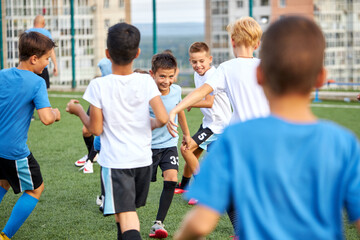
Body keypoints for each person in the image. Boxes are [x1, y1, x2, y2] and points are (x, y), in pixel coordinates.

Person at [174, 16, 360, 240]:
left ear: (261, 76)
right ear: (320, 79)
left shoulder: (232, 140)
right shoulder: (344, 144)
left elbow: (200, 224)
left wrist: (176, 109)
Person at [66, 23, 168, 240]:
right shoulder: (145, 81)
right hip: (142, 161)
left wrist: (77, 111)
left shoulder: (98, 85)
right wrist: (146, 124)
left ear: (107, 54)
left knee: (128, 217)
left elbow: (95, 128)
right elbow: (163, 118)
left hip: (116, 164)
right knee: (122, 217)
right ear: (138, 53)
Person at [167, 17, 269, 232]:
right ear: (258, 44)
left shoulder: (226, 68)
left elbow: (200, 93)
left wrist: (175, 109)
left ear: (232, 41)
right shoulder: (266, 66)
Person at [0, 31, 61, 240]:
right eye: (46, 59)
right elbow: (45, 118)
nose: (47, 64)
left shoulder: (2, 74)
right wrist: (56, 113)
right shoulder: (37, 82)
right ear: (34, 58)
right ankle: (5, 236)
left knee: (3, 182)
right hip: (13, 151)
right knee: (36, 189)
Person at [175, 42, 231, 206]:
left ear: (210, 59)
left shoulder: (212, 75)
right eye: (194, 62)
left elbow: (209, 102)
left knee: (186, 149)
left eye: (201, 61)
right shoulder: (198, 74)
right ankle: (184, 186)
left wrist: (188, 103)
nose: (198, 65)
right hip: (208, 123)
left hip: (217, 126)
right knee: (194, 152)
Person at [148, 53, 190, 239]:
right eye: (162, 76)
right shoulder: (147, 93)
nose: (166, 81)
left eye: (170, 76)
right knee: (140, 186)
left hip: (169, 144)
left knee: (172, 179)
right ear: (152, 74)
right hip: (147, 147)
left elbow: (180, 112)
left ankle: (158, 223)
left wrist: (187, 134)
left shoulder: (176, 90)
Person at [27, 15, 58, 89]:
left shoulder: (27, 33)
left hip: (29, 68)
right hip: (42, 68)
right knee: (43, 90)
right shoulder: (46, 33)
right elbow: (51, 50)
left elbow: (22, 52)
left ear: (34, 22)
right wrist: (55, 66)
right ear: (43, 23)